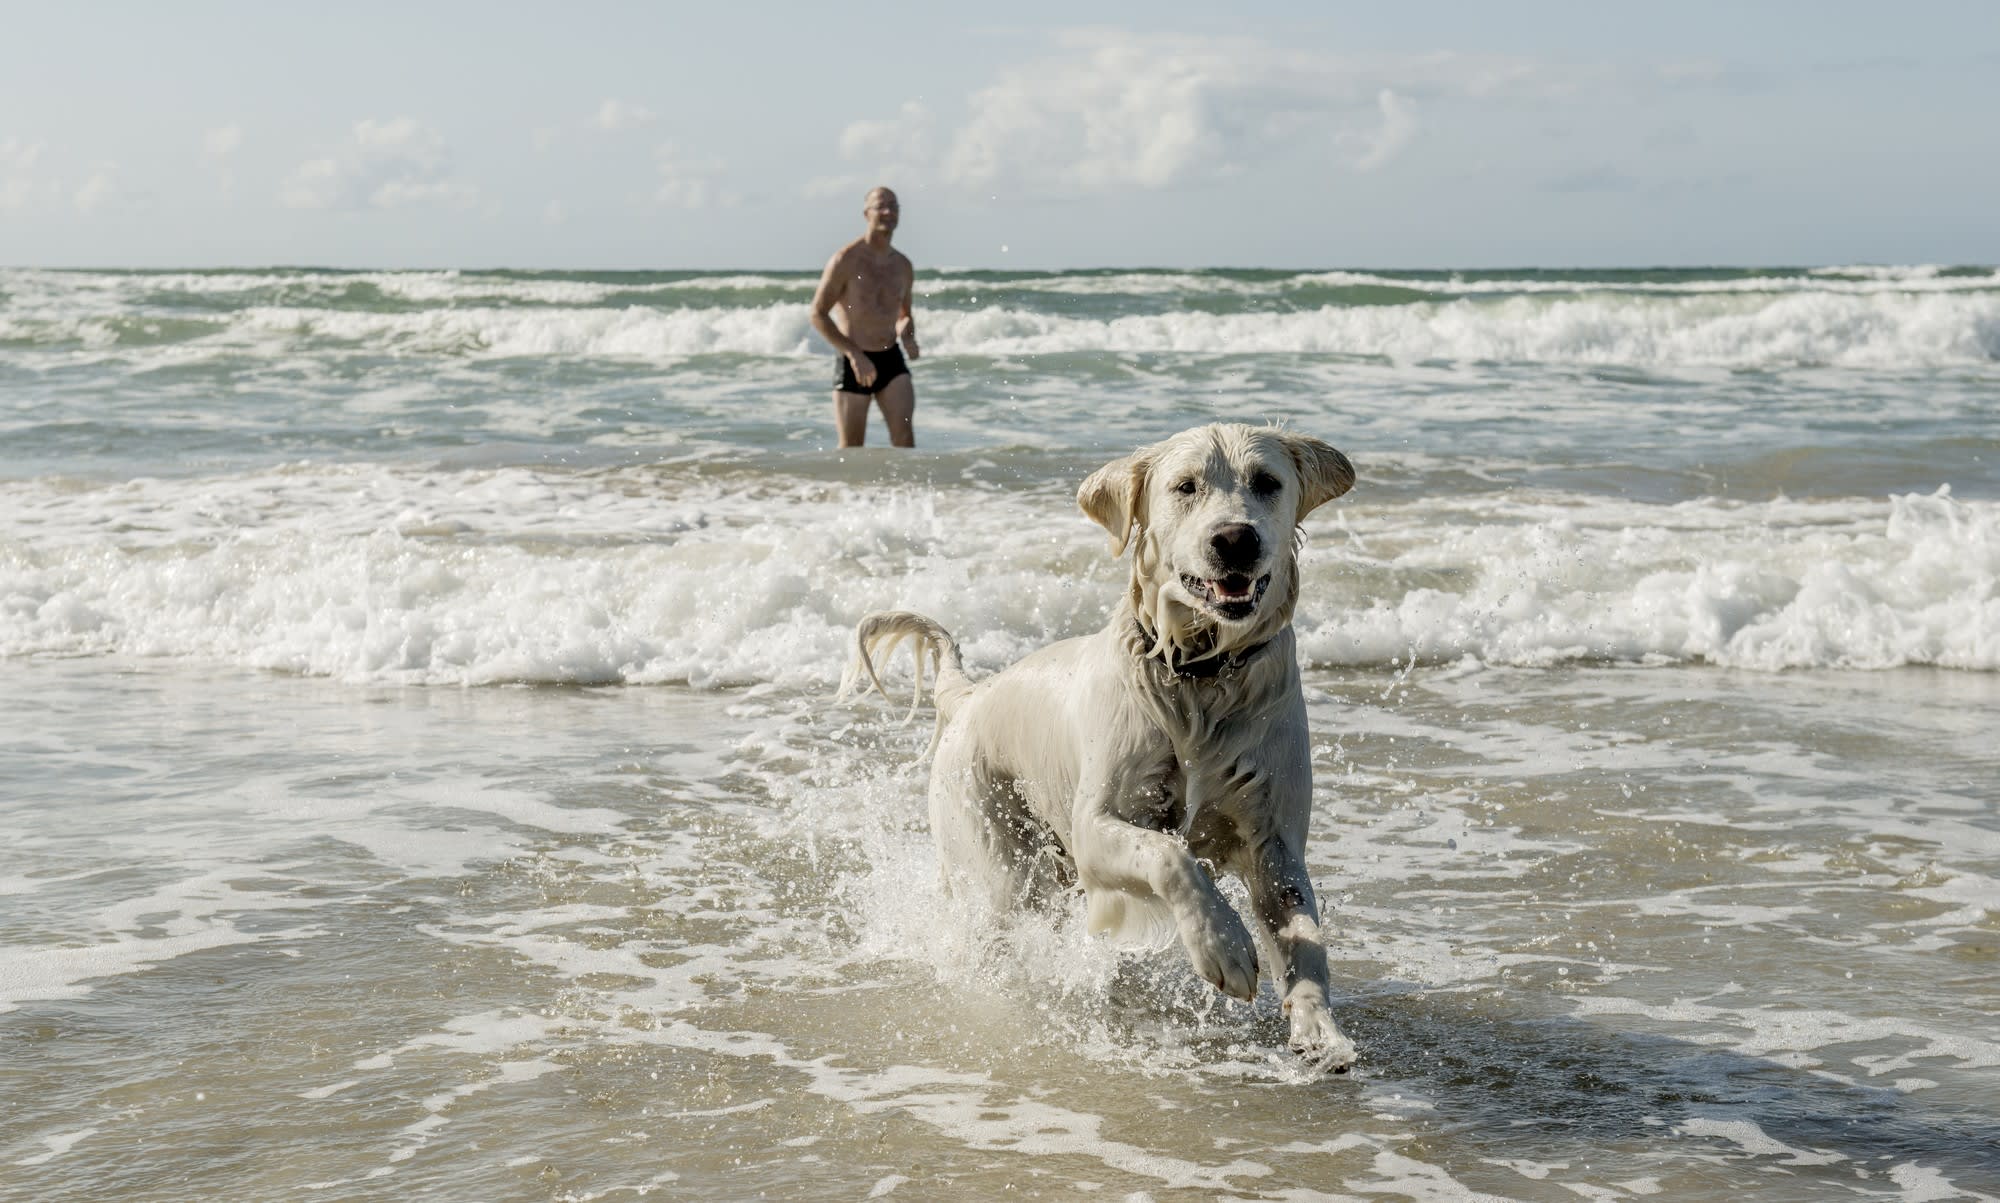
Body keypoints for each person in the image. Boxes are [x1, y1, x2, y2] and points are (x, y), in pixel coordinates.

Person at [809, 186, 919, 448]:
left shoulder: (903, 265)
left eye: (893, 206)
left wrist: (908, 336)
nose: (888, 212)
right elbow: (818, 314)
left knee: (905, 440)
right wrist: (854, 354)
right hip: (854, 361)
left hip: (891, 359)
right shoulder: (845, 260)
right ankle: (852, 492)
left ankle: (903, 490)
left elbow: (904, 315)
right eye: (880, 206)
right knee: (852, 449)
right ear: (866, 213)